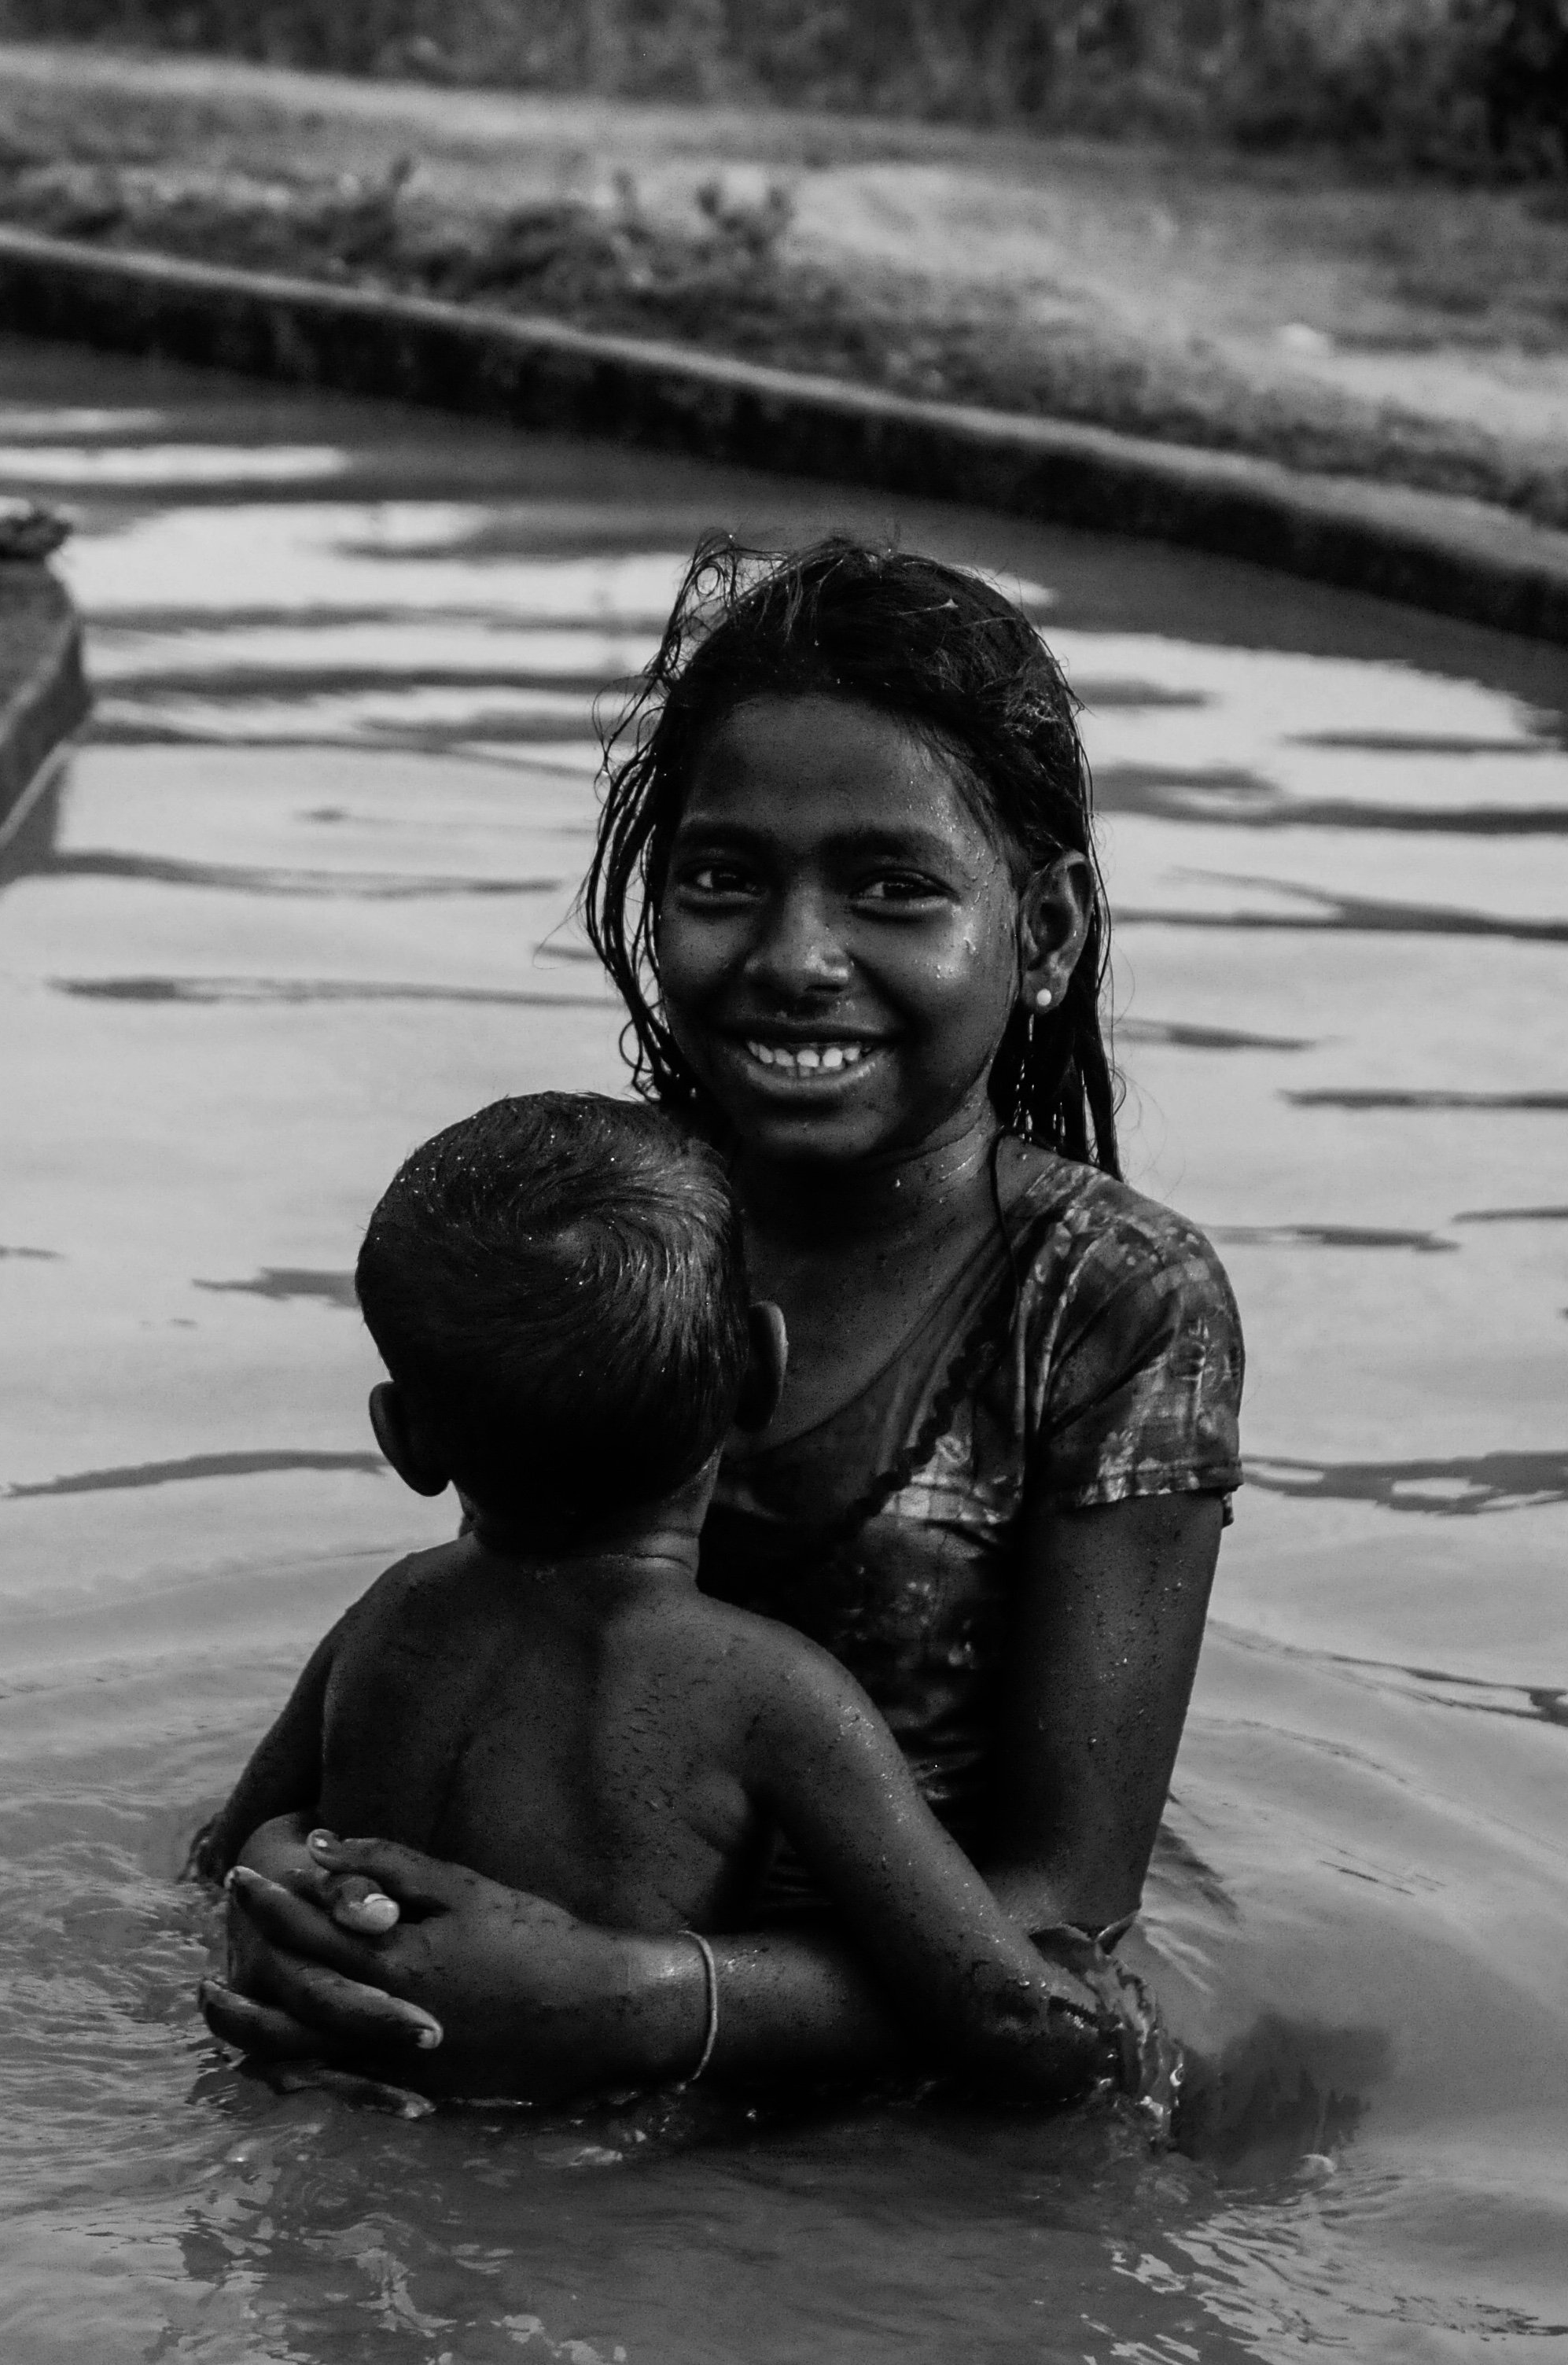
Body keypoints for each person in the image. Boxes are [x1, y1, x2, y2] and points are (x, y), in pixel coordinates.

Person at [199, 536, 1244, 2105]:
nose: (793, 957)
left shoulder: (1107, 1303)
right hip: (524, 2050)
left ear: (1039, 936)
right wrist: (293, 1901)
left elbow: (1064, 1916)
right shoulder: (594, 1223)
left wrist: (640, 2003)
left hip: (854, 2100)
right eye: (722, 878)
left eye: (891, 888)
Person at [197, 1089, 1121, 2100]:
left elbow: (222, 1861)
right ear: (760, 1373)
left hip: (337, 2093)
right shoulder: (773, 1692)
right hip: (606, 2184)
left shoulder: (389, 1616)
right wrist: (1116, 2027)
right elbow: (1001, 2013)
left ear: (402, 1440)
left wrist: (284, 1872)